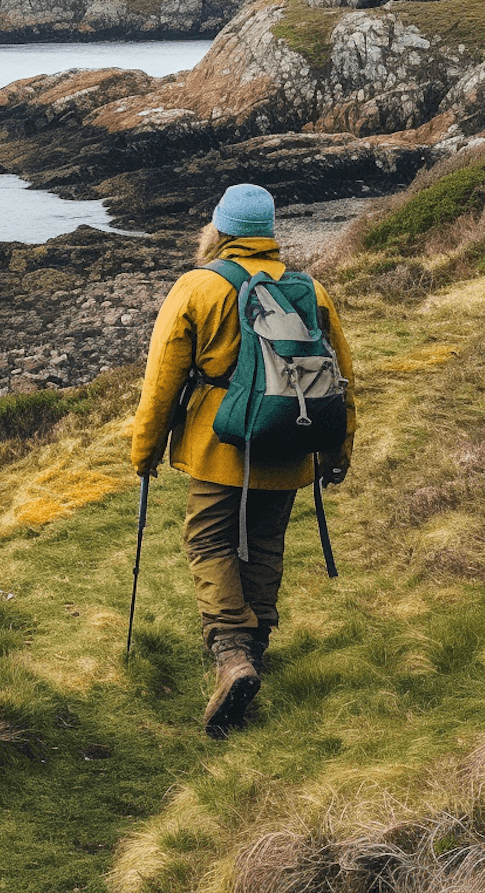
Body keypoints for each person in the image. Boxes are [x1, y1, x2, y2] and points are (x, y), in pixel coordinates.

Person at [130, 183, 356, 738]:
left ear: (220, 229)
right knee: (264, 542)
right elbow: (341, 376)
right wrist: (337, 447)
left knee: (209, 540)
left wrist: (145, 449)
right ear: (269, 233)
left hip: (220, 448)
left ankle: (232, 655)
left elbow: (162, 381)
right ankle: (256, 649)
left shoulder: (198, 286)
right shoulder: (310, 289)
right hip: (290, 440)